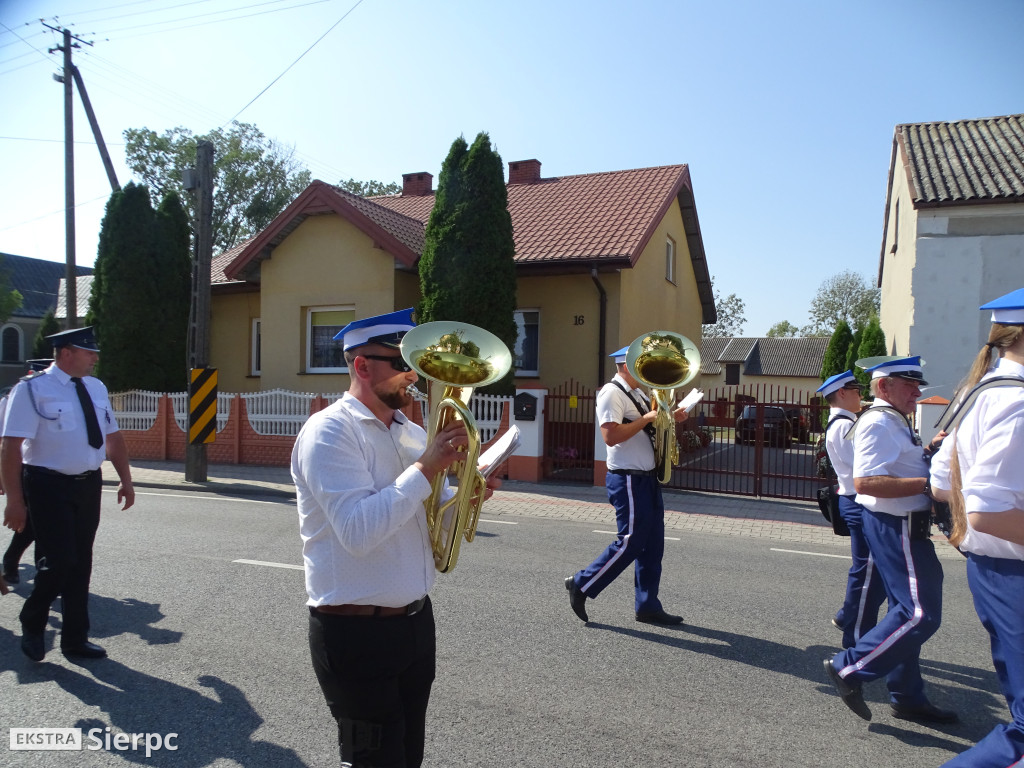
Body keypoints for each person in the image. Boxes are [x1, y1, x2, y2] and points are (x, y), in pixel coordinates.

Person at [292, 308, 497, 768]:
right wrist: (427, 467)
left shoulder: (411, 432)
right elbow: (359, 532)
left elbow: (429, 527)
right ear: (362, 365)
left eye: (417, 366)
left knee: (408, 758)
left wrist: (467, 493)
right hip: (355, 635)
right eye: (403, 365)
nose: (415, 377)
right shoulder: (329, 433)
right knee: (373, 762)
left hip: (414, 625)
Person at [822, 356, 956, 724]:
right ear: (884, 387)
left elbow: (899, 466)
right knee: (918, 614)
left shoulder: (891, 420)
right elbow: (867, 482)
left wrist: (928, 454)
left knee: (905, 613)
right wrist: (931, 485)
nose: (918, 392)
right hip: (896, 526)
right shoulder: (879, 422)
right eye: (909, 385)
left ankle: (907, 695)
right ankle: (849, 668)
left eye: (918, 385)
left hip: (901, 525)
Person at [929, 288, 1024, 767]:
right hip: (1012, 571)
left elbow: (943, 483)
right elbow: (985, 508)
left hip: (994, 568)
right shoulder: (1016, 399)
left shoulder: (980, 389)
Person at [1, 328, 135, 661]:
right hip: (47, 484)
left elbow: (113, 437)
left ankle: (75, 638)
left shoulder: (96, 387)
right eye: (88, 352)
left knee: (81, 563)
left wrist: (126, 479)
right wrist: (15, 501)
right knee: (60, 561)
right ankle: (33, 620)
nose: (95, 358)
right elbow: (11, 446)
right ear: (65, 353)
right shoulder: (31, 390)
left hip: (89, 483)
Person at [564, 344, 688, 626]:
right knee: (630, 543)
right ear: (626, 365)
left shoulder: (638, 394)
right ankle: (581, 584)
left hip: (646, 478)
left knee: (652, 546)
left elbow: (651, 429)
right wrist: (646, 418)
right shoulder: (611, 393)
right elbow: (610, 436)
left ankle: (647, 605)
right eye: (642, 364)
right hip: (629, 478)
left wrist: (673, 417)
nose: (648, 372)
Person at [817, 371, 886, 650]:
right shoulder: (845, 426)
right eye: (857, 390)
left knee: (866, 569)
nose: (861, 395)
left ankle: (848, 617)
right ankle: (854, 637)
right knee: (869, 571)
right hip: (857, 500)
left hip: (853, 499)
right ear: (843, 393)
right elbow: (863, 468)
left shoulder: (844, 422)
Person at [2, 359, 53, 587]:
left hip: (47, 471)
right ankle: (13, 563)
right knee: (33, 522)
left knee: (38, 523)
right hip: (22, 468)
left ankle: (20, 564)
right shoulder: (13, 398)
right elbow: (5, 443)